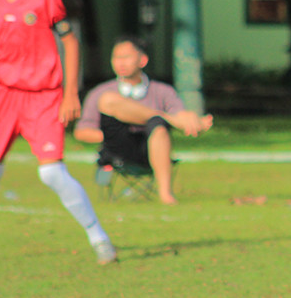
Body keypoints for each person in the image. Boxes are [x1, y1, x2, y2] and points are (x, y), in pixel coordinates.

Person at [0, 0, 117, 264]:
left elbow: (70, 42)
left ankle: (99, 239)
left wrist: (71, 93)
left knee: (51, 172)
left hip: (43, 97)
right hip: (2, 97)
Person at [74, 36, 213, 205]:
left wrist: (192, 119)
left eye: (126, 57)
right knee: (109, 100)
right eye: (116, 57)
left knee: (158, 125)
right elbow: (81, 132)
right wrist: (107, 136)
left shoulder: (163, 91)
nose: (120, 63)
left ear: (143, 60)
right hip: (118, 148)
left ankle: (165, 194)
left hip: (152, 149)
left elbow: (180, 116)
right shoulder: (100, 92)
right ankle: (161, 117)